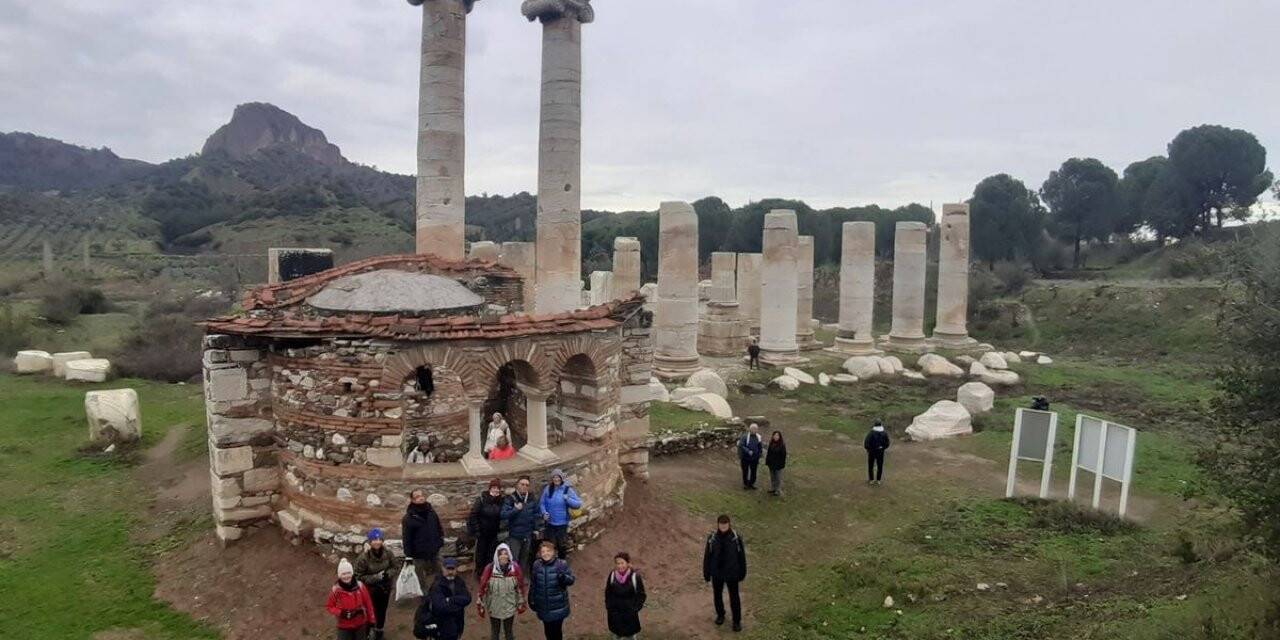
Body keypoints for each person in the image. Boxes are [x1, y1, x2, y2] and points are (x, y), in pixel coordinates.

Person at [703, 514, 747, 632]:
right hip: (717, 573)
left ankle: (736, 621)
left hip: (732, 573)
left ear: (729, 524)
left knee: (734, 598)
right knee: (717, 595)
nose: (723, 527)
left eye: (725, 525)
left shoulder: (736, 538)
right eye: (721, 525)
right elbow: (707, 557)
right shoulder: (712, 538)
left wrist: (742, 572)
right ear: (718, 525)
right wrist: (706, 573)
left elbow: (741, 556)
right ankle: (720, 614)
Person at [353, 528, 396, 640]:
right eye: (374, 539)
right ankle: (366, 634)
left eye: (379, 539)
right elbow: (358, 576)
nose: (377, 542)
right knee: (368, 612)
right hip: (370, 591)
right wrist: (375, 578)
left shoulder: (388, 553)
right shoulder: (363, 558)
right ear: (370, 541)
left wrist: (387, 574)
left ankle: (379, 632)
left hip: (385, 588)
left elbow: (395, 567)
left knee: (382, 611)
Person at [478, 543, 527, 640]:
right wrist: (480, 603)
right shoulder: (490, 569)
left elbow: (520, 587)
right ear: (497, 556)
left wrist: (522, 602)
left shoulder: (515, 568)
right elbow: (482, 588)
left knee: (509, 632)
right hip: (494, 606)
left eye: (506, 553)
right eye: (501, 554)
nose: (503, 556)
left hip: (509, 606)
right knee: (495, 632)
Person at [529, 540, 576, 640]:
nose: (546, 553)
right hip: (544, 606)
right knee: (548, 631)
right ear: (540, 553)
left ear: (554, 552)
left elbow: (571, 580)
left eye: (548, 551)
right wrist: (531, 598)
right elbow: (534, 584)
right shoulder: (537, 565)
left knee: (556, 631)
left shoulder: (561, 564)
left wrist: (563, 578)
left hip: (558, 606)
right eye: (543, 551)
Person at [403, 488, 445, 590]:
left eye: (422, 496)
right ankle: (424, 595)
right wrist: (408, 555)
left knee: (441, 571)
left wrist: (440, 541)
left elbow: (438, 527)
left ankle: (441, 589)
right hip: (418, 554)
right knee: (420, 577)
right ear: (413, 500)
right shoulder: (409, 518)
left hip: (434, 549)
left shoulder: (431, 512)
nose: (421, 498)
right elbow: (406, 538)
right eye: (417, 497)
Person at [327, 558, 378, 640]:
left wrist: (372, 621)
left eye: (348, 573)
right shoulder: (336, 590)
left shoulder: (360, 586)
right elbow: (330, 606)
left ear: (352, 573)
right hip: (344, 626)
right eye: (343, 574)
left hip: (360, 624)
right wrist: (341, 613)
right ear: (339, 575)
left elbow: (368, 604)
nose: (346, 576)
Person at [424, 557, 472, 640]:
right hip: (441, 627)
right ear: (443, 568)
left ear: (456, 569)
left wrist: (450, 600)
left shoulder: (459, 582)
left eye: (452, 569)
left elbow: (467, 598)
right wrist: (458, 605)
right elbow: (441, 607)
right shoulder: (437, 585)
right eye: (448, 569)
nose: (450, 572)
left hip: (458, 624)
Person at [540, 468, 583, 558]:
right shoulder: (548, 489)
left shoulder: (567, 489)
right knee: (550, 545)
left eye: (558, 477)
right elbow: (542, 503)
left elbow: (578, 504)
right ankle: (551, 563)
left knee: (561, 545)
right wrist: (544, 513)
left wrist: (567, 499)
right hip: (550, 523)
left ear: (561, 478)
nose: (556, 479)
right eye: (554, 477)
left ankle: (561, 563)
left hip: (562, 524)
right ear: (552, 479)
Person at [503, 475, 542, 572]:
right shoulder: (511, 498)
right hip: (515, 535)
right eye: (522, 484)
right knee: (514, 558)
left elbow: (537, 514)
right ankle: (513, 578)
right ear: (517, 485)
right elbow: (503, 514)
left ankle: (521, 578)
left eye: (527, 485)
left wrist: (536, 528)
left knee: (524, 558)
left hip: (527, 534)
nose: (524, 486)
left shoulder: (532, 498)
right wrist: (515, 509)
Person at [604, 551, 647, 640]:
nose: (620, 566)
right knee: (616, 635)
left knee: (630, 636)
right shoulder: (612, 575)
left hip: (629, 613)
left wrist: (635, 608)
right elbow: (608, 592)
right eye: (618, 563)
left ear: (627, 563)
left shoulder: (635, 577)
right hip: (615, 613)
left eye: (622, 563)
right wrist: (609, 607)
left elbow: (641, 595)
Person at [469, 478, 506, 574]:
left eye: (498, 488)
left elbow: (503, 514)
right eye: (494, 487)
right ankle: (480, 573)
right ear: (490, 488)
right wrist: (476, 530)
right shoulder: (482, 499)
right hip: (482, 532)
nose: (496, 490)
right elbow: (473, 515)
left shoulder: (501, 501)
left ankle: (488, 572)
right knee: (481, 554)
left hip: (493, 533)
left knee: (491, 554)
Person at [864, 419, 891, 485]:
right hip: (880, 452)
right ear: (881, 424)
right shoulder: (884, 433)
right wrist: (883, 448)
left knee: (871, 466)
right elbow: (887, 443)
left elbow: (866, 442)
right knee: (880, 466)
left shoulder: (871, 433)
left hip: (872, 452)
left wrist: (868, 449)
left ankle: (871, 479)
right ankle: (878, 480)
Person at [737, 423, 763, 490]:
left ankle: (751, 483)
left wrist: (760, 454)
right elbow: (741, 445)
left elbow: (760, 446)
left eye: (756, 429)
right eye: (753, 429)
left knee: (754, 471)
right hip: (745, 458)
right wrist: (748, 451)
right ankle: (746, 484)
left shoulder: (758, 437)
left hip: (755, 458)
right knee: (745, 471)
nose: (755, 430)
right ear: (750, 429)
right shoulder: (745, 436)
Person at [764, 430, 787, 496]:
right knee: (772, 477)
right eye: (774, 435)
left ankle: (778, 490)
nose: (776, 437)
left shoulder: (782, 445)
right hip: (771, 464)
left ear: (780, 437)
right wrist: (767, 462)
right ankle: (773, 488)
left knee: (778, 478)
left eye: (777, 435)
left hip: (778, 465)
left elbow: (783, 456)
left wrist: (781, 465)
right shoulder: (771, 443)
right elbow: (768, 453)